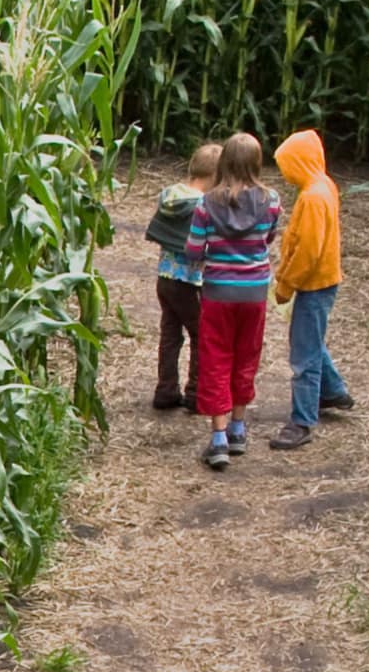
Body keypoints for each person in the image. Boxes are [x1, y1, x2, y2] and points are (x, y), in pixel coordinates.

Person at [183, 132, 282, 470]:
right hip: (255, 292)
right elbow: (268, 237)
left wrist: (206, 253)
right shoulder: (271, 200)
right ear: (257, 163)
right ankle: (239, 428)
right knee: (246, 355)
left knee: (216, 358)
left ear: (223, 162)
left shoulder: (206, 204)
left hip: (217, 293)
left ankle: (219, 438)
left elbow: (194, 250)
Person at [270, 130, 353, 448]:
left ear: (299, 163)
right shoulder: (323, 186)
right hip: (322, 281)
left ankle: (301, 421)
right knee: (311, 339)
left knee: (303, 354)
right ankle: (332, 391)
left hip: (312, 283)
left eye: (285, 165)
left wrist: (286, 285)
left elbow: (308, 251)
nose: (282, 172)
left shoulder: (312, 198)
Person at [146, 142, 222, 411]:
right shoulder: (202, 205)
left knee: (170, 334)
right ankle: (195, 392)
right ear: (216, 177)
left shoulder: (169, 195)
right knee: (201, 334)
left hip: (165, 278)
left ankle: (165, 389)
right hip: (189, 282)